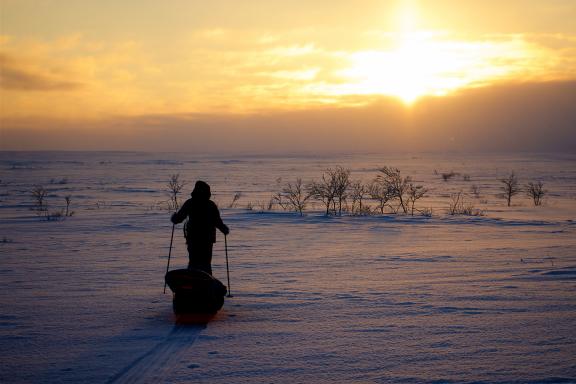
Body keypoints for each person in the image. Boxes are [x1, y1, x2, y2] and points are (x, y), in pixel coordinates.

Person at [171, 180, 229, 275]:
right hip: (207, 239)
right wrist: (224, 229)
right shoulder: (210, 205)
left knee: (194, 262)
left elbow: (179, 218)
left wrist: (175, 218)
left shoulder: (190, 203)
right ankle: (206, 281)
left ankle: (193, 281)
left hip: (193, 238)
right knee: (205, 263)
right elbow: (217, 221)